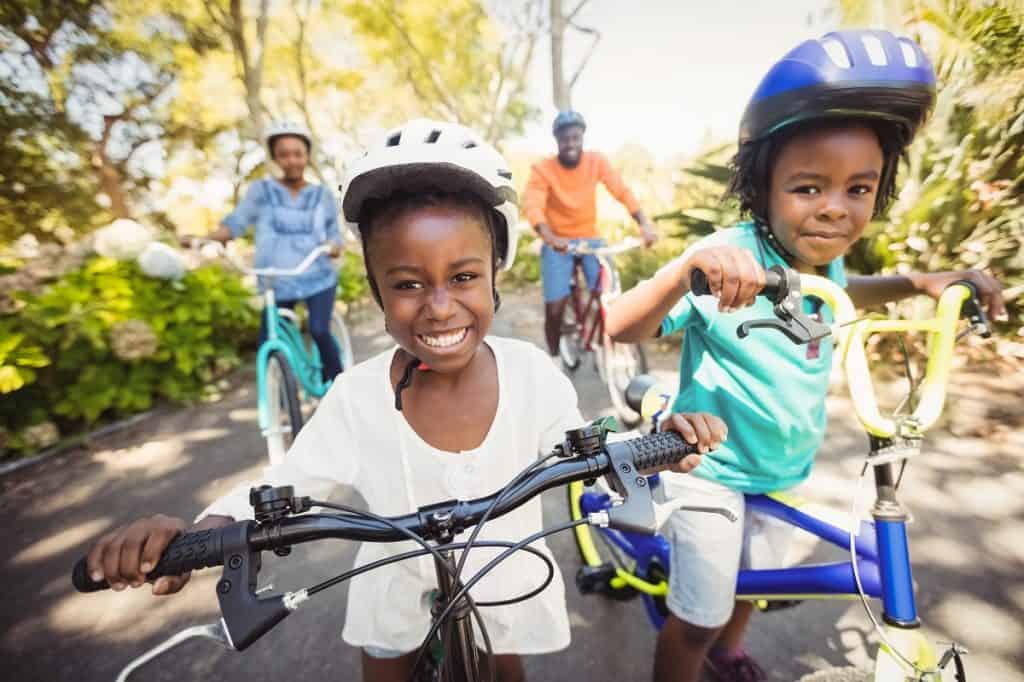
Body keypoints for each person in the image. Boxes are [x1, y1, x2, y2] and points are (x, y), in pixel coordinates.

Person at [84, 119, 725, 682]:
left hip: (507, 584)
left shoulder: (532, 374)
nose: (440, 305)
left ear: (496, 275)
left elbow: (588, 448)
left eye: (464, 277)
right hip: (391, 596)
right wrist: (205, 530)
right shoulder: (358, 396)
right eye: (409, 283)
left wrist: (655, 445)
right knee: (385, 663)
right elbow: (285, 483)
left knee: (507, 670)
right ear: (377, 292)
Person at [604, 30, 1006, 682]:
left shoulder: (825, 264)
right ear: (762, 188)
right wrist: (684, 272)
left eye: (858, 189)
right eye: (809, 187)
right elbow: (618, 325)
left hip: (782, 465)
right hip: (708, 467)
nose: (834, 210)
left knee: (753, 585)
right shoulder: (728, 259)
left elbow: (844, 292)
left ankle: (729, 657)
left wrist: (921, 282)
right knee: (698, 617)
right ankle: (690, 660)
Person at [185, 120, 344, 382]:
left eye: (297, 153)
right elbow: (236, 222)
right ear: (275, 158)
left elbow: (333, 233)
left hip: (316, 275)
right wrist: (205, 239)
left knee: (319, 330)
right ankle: (276, 395)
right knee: (267, 339)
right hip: (276, 279)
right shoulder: (262, 191)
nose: (291, 160)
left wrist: (334, 246)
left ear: (306, 155)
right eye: (283, 154)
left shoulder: (322, 195)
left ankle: (340, 388)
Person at [522, 110, 658, 361]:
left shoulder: (596, 162)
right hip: (558, 242)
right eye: (565, 139)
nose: (571, 144)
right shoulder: (543, 169)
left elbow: (621, 191)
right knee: (555, 308)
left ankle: (604, 333)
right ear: (557, 141)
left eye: (575, 137)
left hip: (590, 240)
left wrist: (644, 224)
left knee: (610, 294)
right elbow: (532, 204)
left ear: (582, 137)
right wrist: (548, 235)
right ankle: (553, 359)